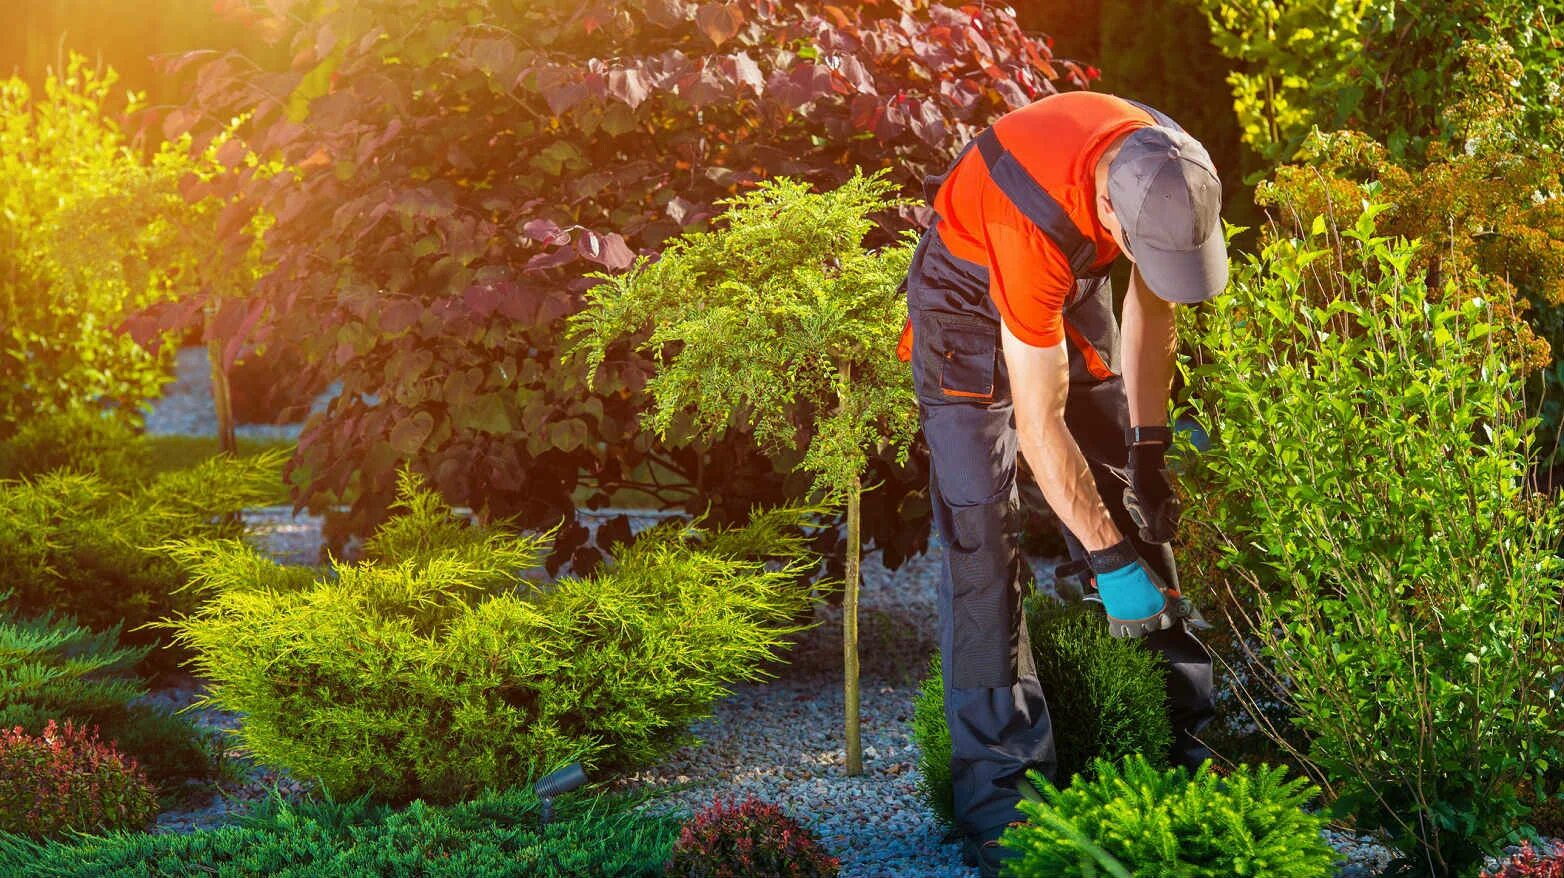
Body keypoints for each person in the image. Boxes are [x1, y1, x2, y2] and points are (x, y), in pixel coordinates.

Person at [897, 90, 1227, 876]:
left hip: (1067, 292)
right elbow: (1039, 425)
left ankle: (1177, 742)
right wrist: (1108, 563)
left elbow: (1155, 317)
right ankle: (1006, 804)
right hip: (968, 303)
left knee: (1126, 495)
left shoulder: (1174, 171)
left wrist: (1147, 449)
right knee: (985, 539)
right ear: (1110, 219)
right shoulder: (1031, 217)